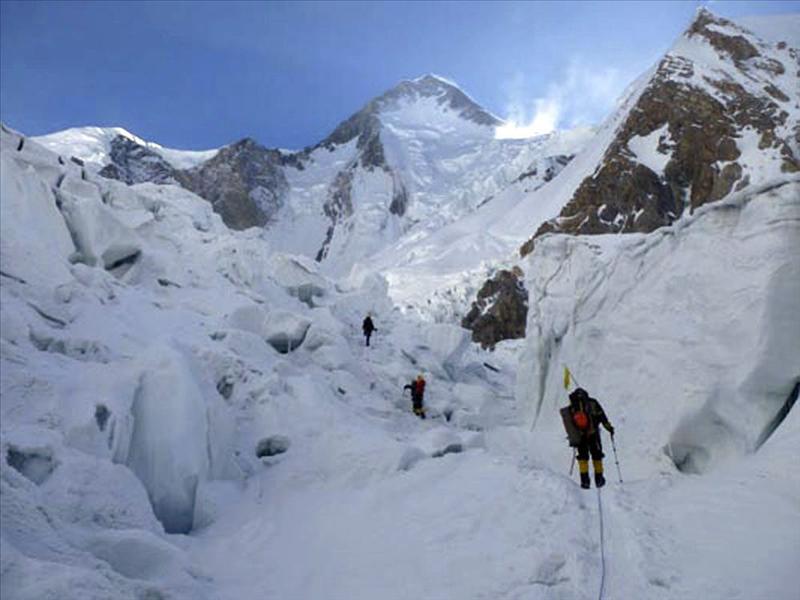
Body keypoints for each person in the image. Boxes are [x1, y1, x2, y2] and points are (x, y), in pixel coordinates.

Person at [567, 388, 614, 489]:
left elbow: (569, 423)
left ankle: (585, 481)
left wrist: (572, 438)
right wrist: (609, 428)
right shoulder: (593, 402)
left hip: (579, 436)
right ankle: (599, 479)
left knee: (583, 457)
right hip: (593, 434)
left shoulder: (572, 407)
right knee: (597, 455)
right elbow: (602, 417)